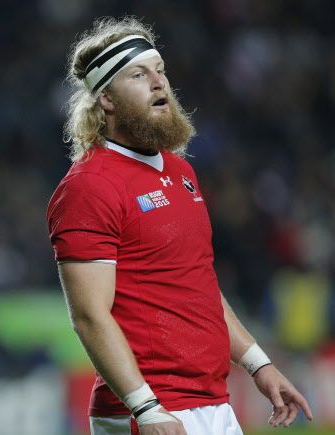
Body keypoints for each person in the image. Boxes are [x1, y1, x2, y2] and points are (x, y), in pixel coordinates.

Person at [46, 16, 313, 435]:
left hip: (212, 402)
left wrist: (259, 364)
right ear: (107, 100)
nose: (158, 82)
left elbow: (197, 285)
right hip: (152, 409)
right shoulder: (89, 186)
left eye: (160, 71)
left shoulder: (180, 170)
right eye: (139, 74)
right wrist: (146, 409)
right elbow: (89, 316)